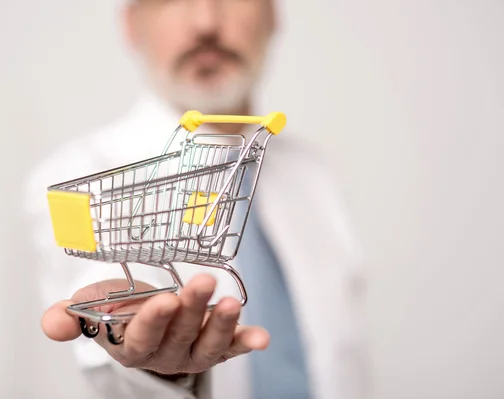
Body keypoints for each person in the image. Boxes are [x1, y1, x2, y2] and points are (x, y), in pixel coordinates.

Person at [22, 0, 369, 398]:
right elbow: (92, 297)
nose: (206, 21)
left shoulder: (315, 175)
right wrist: (150, 352)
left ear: (272, 15)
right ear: (132, 25)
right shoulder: (73, 175)